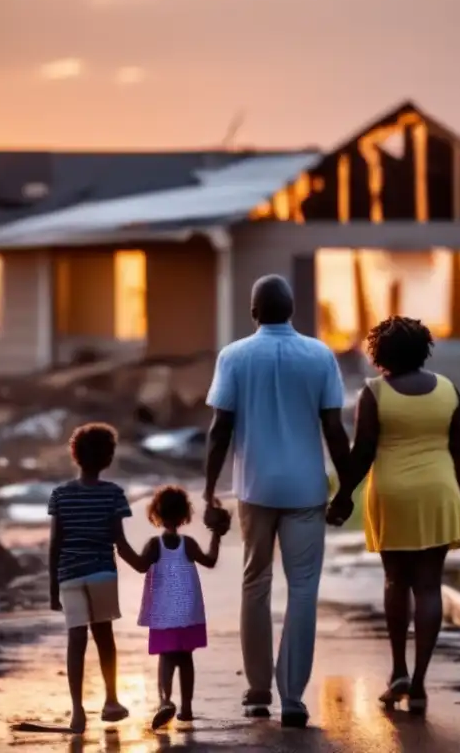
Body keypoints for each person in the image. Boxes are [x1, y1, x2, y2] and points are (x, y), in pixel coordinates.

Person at [202, 274, 351, 728]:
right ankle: (293, 697)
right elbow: (333, 428)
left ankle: (257, 689)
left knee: (255, 583)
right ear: (292, 311)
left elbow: (220, 429)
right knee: (303, 590)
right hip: (306, 489)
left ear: (253, 312)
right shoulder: (320, 355)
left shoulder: (234, 356)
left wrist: (209, 492)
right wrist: (346, 489)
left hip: (255, 489)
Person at [327, 316, 460, 715]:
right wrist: (456, 494)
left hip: (392, 493)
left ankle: (398, 671)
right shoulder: (448, 390)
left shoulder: (374, 393)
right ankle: (421, 685)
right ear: (424, 349)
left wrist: (343, 498)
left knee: (395, 580)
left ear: (378, 354)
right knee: (429, 586)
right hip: (439, 492)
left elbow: (364, 451)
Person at [48, 423, 146, 733]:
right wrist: (143, 565)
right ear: (108, 457)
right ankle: (111, 701)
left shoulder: (60, 495)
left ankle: (77, 712)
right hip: (102, 572)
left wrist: (52, 589)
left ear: (75, 455)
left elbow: (55, 544)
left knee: (76, 641)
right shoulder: (113, 494)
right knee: (104, 637)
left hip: (69, 576)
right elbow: (120, 541)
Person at [135, 485, 226, 729]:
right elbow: (211, 560)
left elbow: (140, 565)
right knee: (186, 658)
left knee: (166, 657)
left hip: (164, 612)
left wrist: (119, 546)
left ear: (156, 512)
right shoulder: (188, 543)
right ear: (184, 514)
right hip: (188, 610)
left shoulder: (154, 545)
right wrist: (217, 534)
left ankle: (165, 700)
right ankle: (186, 708)